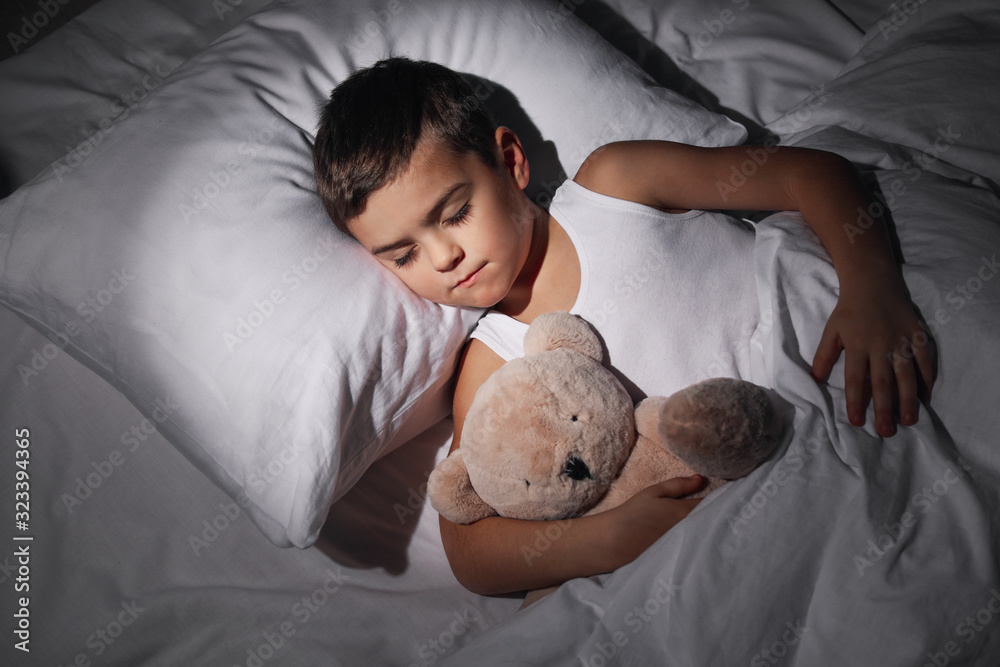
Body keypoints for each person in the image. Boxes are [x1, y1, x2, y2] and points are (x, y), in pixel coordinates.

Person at [312, 57, 935, 596]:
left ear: (510, 161)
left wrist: (870, 284)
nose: (443, 257)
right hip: (760, 473)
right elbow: (467, 547)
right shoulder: (495, 361)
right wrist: (601, 540)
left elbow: (808, 172)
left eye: (455, 213)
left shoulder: (615, 185)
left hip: (835, 350)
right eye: (403, 255)